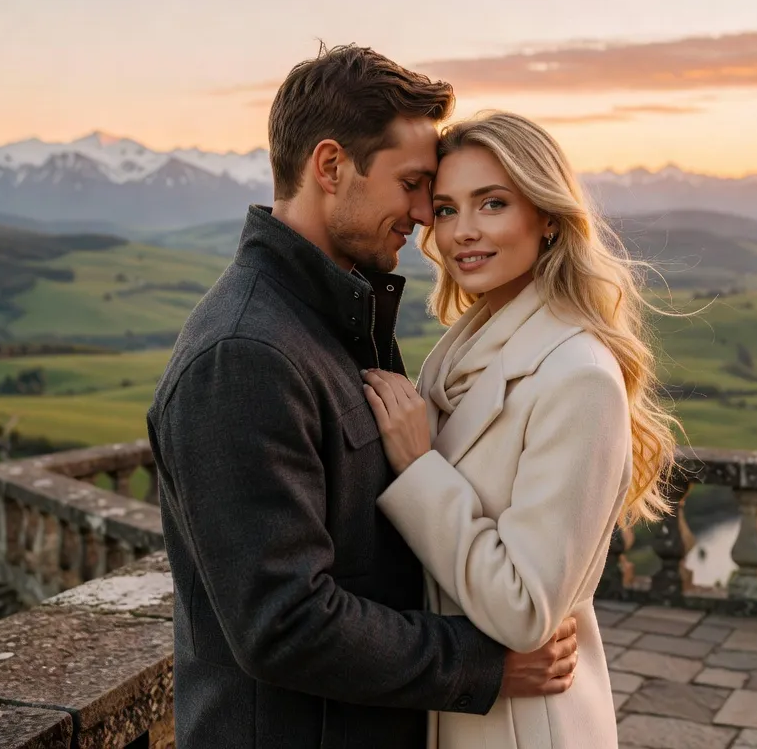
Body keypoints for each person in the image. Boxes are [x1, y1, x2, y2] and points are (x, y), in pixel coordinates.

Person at [146, 46, 580, 749]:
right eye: (412, 184)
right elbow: (283, 621)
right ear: (330, 167)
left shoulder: (339, 320)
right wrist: (482, 663)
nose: (423, 214)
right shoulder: (243, 356)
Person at [361, 111, 680, 748]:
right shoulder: (459, 355)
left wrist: (419, 467)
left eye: (493, 203)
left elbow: (524, 609)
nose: (463, 233)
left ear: (549, 219)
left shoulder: (577, 375)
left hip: (524, 728)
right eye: (446, 209)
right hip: (458, 707)